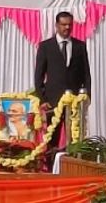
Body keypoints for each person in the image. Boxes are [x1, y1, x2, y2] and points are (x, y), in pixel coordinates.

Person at [34, 11, 91, 152]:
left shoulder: (80, 46)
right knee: (52, 137)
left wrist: (86, 97)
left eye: (69, 25)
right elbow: (38, 76)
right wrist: (42, 99)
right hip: (53, 101)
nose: (67, 28)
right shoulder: (46, 46)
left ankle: (72, 163)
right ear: (56, 25)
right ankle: (50, 166)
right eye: (63, 24)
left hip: (74, 101)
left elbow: (86, 74)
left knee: (75, 136)